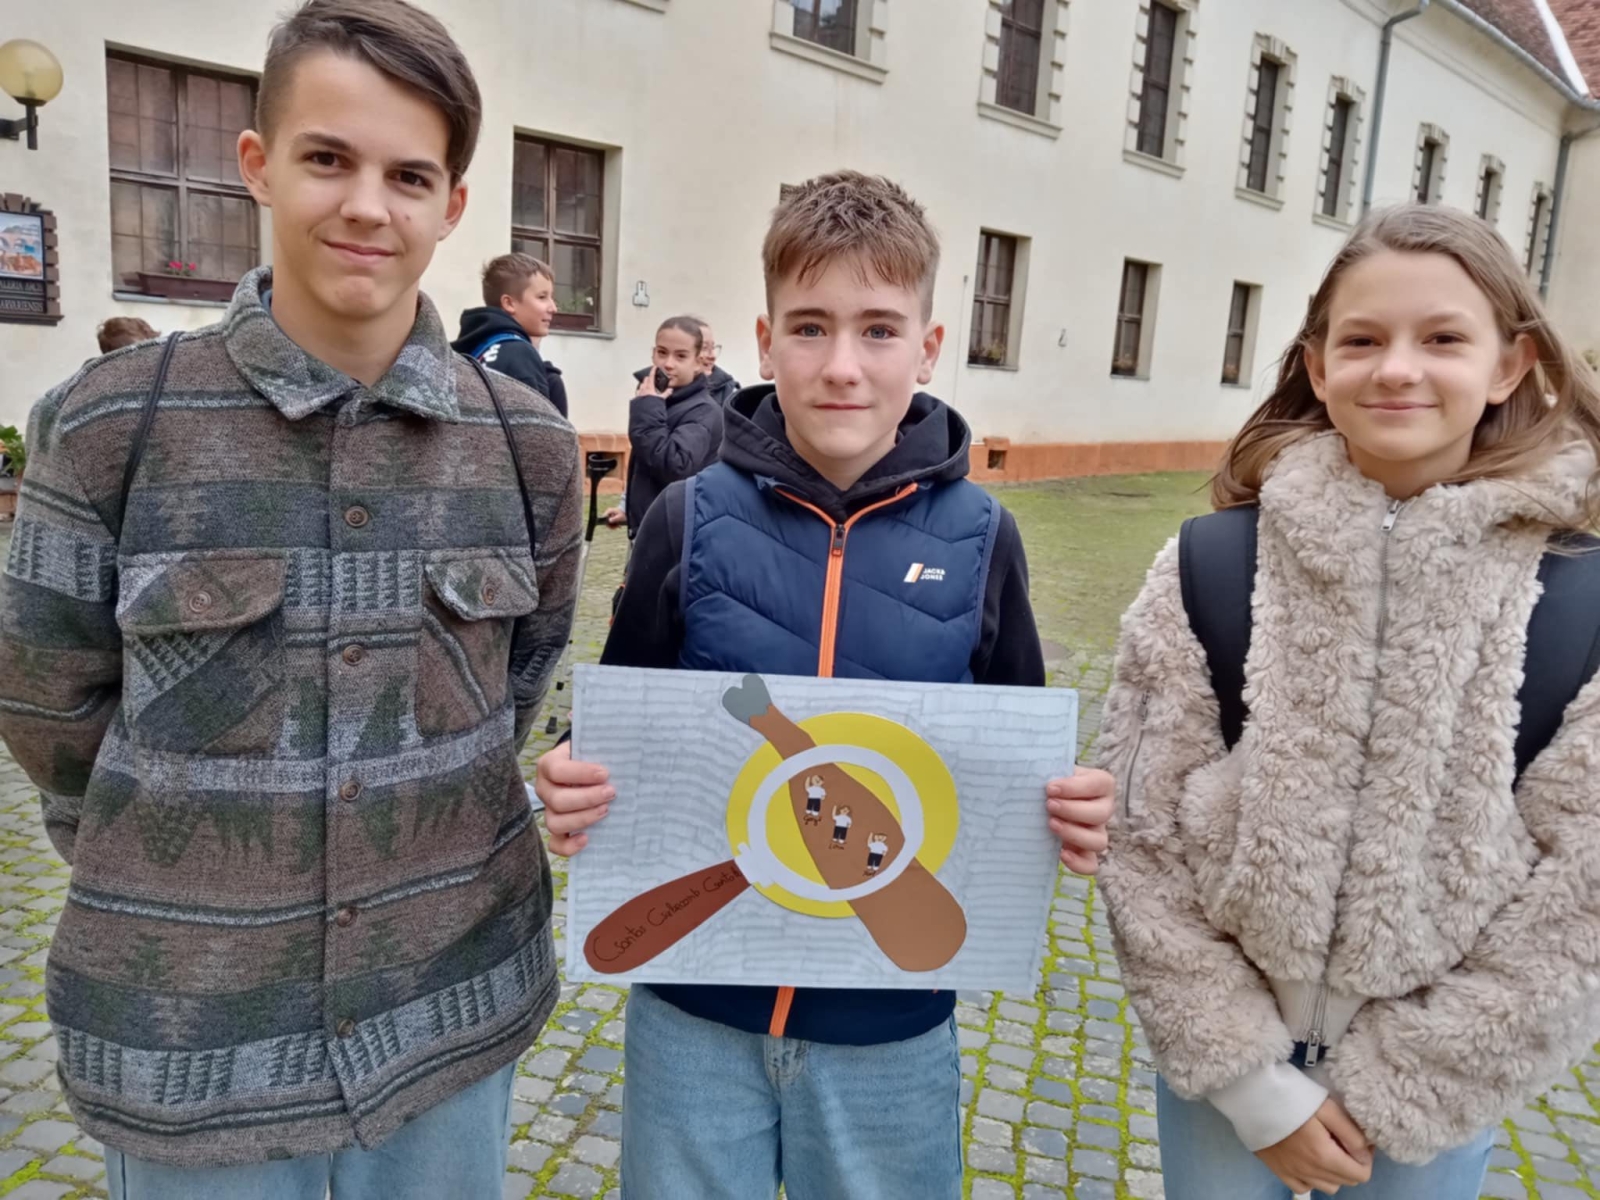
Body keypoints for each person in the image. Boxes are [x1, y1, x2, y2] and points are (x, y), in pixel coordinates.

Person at [0, 2, 583, 1196]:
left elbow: (513, 689)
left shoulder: (526, 447)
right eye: (328, 158)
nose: (368, 205)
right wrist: (179, 856)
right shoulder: (113, 424)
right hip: (187, 1041)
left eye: (408, 175)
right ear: (257, 164)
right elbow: (47, 699)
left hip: (446, 1019)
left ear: (452, 205)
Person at [534, 170, 1116, 1200]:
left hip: (890, 1029)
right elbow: (617, 729)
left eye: (879, 330)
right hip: (695, 1012)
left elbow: (1018, 758)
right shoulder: (686, 519)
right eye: (810, 328)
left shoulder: (983, 538)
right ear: (766, 343)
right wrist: (574, 778)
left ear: (928, 348)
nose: (842, 365)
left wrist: (1068, 808)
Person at [1095, 204, 1600, 1200]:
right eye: (1363, 340)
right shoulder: (1209, 567)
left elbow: (1582, 894)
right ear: (1318, 368)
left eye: (1443, 338)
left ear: (1509, 365)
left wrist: (1410, 1085)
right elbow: (1139, 830)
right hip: (1229, 1083)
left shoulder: (1580, 599)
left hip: (1431, 1098)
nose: (1398, 369)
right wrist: (1250, 1085)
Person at [622, 315, 722, 538]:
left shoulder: (703, 410)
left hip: (678, 536)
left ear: (698, 362)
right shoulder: (662, 400)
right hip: (650, 530)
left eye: (681, 356)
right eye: (662, 352)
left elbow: (675, 465)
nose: (668, 363)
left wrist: (648, 407)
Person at [452, 251, 568, 416]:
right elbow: (534, 428)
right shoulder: (519, 355)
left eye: (551, 297)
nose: (553, 308)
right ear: (509, 303)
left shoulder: (468, 351)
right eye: (542, 297)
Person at [694, 318, 740, 405]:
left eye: (712, 348)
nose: (712, 356)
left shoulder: (730, 393)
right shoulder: (667, 390)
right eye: (704, 348)